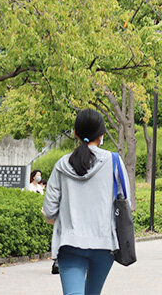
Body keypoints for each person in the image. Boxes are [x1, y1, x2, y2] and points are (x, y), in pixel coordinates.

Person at [42, 109, 129, 295]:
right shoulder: (114, 162)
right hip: (104, 245)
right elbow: (124, 202)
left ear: (75, 133)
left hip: (70, 245)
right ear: (102, 134)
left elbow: (49, 211)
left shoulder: (61, 165)